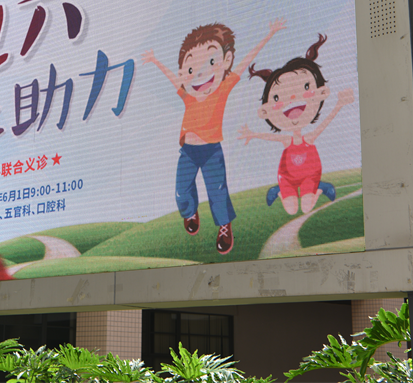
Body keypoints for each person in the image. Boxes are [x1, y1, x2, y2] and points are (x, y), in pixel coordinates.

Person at [143, 19, 285, 254]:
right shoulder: (187, 95)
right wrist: (155, 61)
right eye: (191, 69)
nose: (200, 74)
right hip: (188, 152)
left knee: (217, 191)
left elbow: (245, 62)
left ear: (225, 61)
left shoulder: (222, 89)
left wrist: (269, 34)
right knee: (181, 190)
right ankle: (190, 213)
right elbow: (173, 79)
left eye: (210, 62)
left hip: (211, 152)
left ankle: (224, 227)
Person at [239, 34, 354, 216]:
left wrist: (340, 104)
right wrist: (252, 134)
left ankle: (320, 188)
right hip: (287, 177)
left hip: (310, 175)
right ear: (266, 111)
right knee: (292, 211)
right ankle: (278, 190)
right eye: (277, 97)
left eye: (305, 88)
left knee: (306, 207)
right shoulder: (287, 140)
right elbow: (271, 137)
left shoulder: (309, 138)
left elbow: (325, 123)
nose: (292, 98)